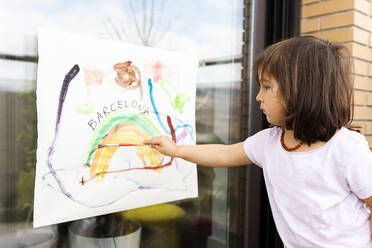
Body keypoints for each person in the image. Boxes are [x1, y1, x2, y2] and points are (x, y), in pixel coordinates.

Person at [144, 36, 372, 247]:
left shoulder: (346, 148)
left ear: (301, 90)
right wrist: (176, 150)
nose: (258, 97)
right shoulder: (270, 143)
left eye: (267, 86)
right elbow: (224, 154)